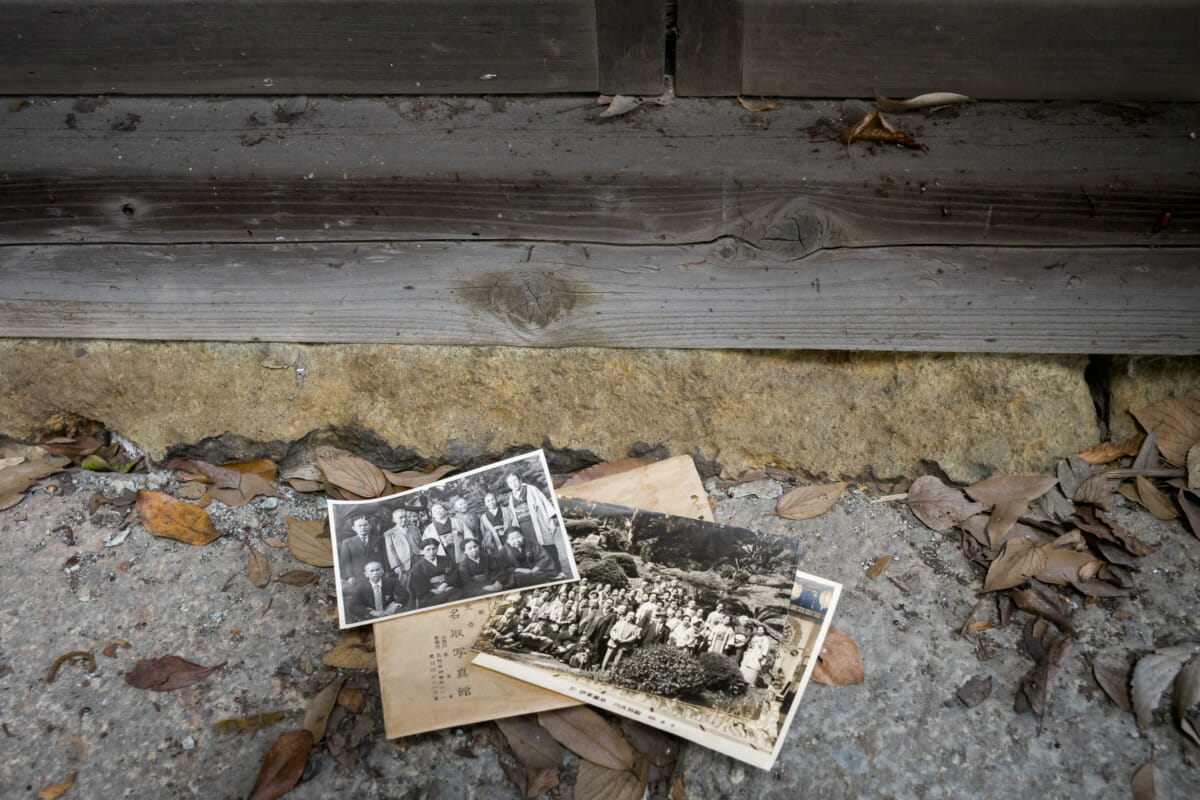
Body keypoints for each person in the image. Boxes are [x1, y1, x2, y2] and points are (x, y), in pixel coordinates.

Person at [503, 472, 566, 576]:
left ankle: (558, 571)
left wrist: (551, 521)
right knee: (533, 550)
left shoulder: (531, 489)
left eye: (514, 480)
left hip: (538, 523)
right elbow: (514, 517)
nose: (513, 484)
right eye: (510, 483)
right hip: (523, 528)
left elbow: (545, 503)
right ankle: (544, 573)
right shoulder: (511, 497)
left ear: (520, 480)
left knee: (548, 546)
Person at [409, 535, 463, 607]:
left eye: (434, 548)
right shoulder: (418, 567)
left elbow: (455, 574)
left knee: (458, 593)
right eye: (428, 550)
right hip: (431, 594)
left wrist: (445, 585)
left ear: (437, 548)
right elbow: (418, 585)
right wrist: (436, 591)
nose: (431, 552)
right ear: (421, 551)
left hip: (448, 588)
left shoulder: (446, 559)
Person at [338, 515, 387, 590]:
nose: (363, 528)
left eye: (365, 525)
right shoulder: (347, 542)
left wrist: (387, 571)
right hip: (358, 575)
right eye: (359, 526)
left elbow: (385, 556)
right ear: (354, 528)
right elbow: (345, 561)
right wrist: (350, 576)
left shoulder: (379, 539)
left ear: (370, 526)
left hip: (377, 573)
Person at [381, 508, 420, 578]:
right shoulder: (389, 533)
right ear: (394, 520)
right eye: (401, 518)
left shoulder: (414, 529)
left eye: (405, 517)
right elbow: (390, 551)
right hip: (404, 563)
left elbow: (421, 544)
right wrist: (396, 565)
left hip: (419, 560)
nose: (404, 519)